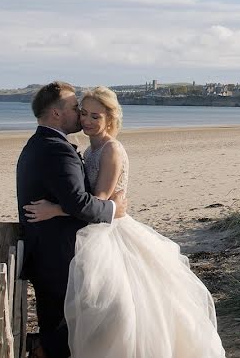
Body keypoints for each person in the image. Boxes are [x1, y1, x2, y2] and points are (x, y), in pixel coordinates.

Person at [24, 86, 225, 358]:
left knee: (118, 307)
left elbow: (100, 199)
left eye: (95, 116)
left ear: (110, 118)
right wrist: (90, 207)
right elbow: (92, 203)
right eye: (82, 113)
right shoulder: (86, 149)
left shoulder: (110, 149)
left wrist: (57, 209)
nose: (86, 120)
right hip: (94, 228)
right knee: (100, 308)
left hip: (110, 231)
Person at [17, 81, 128, 358]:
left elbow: (84, 199)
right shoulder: (57, 148)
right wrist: (114, 209)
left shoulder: (43, 144)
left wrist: (57, 209)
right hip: (57, 253)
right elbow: (80, 202)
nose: (81, 115)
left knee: (86, 318)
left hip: (63, 248)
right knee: (66, 324)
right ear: (57, 114)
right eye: (77, 109)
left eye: (92, 114)